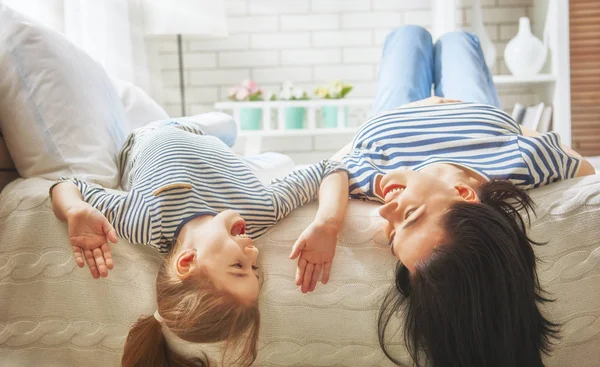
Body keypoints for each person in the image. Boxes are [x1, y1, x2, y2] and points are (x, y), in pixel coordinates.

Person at [328, 25, 596, 367]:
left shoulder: (372, 179)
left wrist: (330, 216)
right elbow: (584, 168)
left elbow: (327, 168)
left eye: (393, 236)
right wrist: (506, 127)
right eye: (409, 216)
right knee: (459, 40)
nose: (385, 213)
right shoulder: (516, 164)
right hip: (473, 109)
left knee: (407, 37)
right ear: (463, 193)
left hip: (392, 117)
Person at [50, 116, 348, 367]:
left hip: (155, 132)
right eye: (254, 267)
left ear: (187, 261)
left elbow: (67, 186)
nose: (253, 250)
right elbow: (329, 169)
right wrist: (327, 223)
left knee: (228, 123)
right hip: (212, 144)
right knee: (239, 134)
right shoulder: (260, 210)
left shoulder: (144, 221)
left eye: (238, 265)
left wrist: (75, 209)